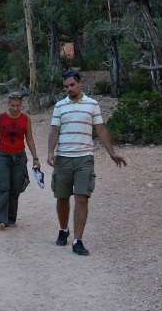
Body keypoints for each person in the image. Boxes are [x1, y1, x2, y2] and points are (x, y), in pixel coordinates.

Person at [46, 69, 126, 256]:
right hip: (64, 157)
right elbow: (54, 130)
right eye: (66, 86)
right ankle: (63, 229)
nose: (69, 89)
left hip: (84, 158)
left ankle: (78, 240)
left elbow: (101, 129)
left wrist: (112, 153)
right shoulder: (60, 106)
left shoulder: (92, 104)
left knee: (82, 197)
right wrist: (50, 151)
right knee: (62, 197)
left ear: (80, 83)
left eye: (72, 85)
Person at [0, 93, 41, 229]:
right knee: (3, 187)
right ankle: (1, 220)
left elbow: (30, 139)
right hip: (2, 155)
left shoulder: (26, 119)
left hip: (19, 157)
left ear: (21, 105)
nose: (15, 109)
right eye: (12, 106)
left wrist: (35, 158)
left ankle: (11, 218)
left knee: (15, 188)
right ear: (8, 105)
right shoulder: (1, 118)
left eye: (18, 106)